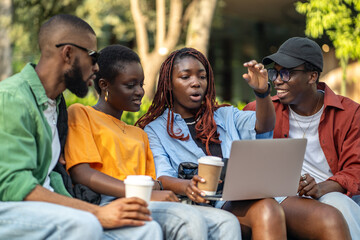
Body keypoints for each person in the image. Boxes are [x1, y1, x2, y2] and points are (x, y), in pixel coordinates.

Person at [0, 14, 163, 239]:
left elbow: (53, 177)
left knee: (145, 229)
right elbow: (14, 186)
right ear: (68, 54)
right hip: (10, 207)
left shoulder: (56, 106)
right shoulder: (12, 98)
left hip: (48, 205)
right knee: (85, 225)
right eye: (92, 57)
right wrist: (97, 212)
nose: (96, 68)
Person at [64, 44, 242, 240]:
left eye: (141, 84)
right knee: (188, 218)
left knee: (227, 222)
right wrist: (143, 194)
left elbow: (154, 181)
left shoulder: (138, 133)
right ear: (105, 85)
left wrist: (176, 186)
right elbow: (81, 172)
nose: (140, 92)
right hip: (108, 202)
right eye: (130, 85)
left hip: (144, 200)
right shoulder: (82, 114)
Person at [137, 47, 288, 240]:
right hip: (204, 205)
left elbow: (263, 125)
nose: (196, 83)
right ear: (169, 84)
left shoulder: (225, 115)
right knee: (267, 208)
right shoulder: (155, 130)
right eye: (185, 77)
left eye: (202, 77)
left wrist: (262, 93)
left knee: (269, 206)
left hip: (246, 196)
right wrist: (187, 185)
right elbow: (163, 176)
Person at [244, 37, 359, 239]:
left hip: (329, 193)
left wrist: (321, 188)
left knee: (340, 205)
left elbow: (355, 169)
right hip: (281, 199)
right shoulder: (260, 111)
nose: (277, 80)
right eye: (275, 72)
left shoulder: (349, 113)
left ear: (312, 76)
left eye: (287, 73)